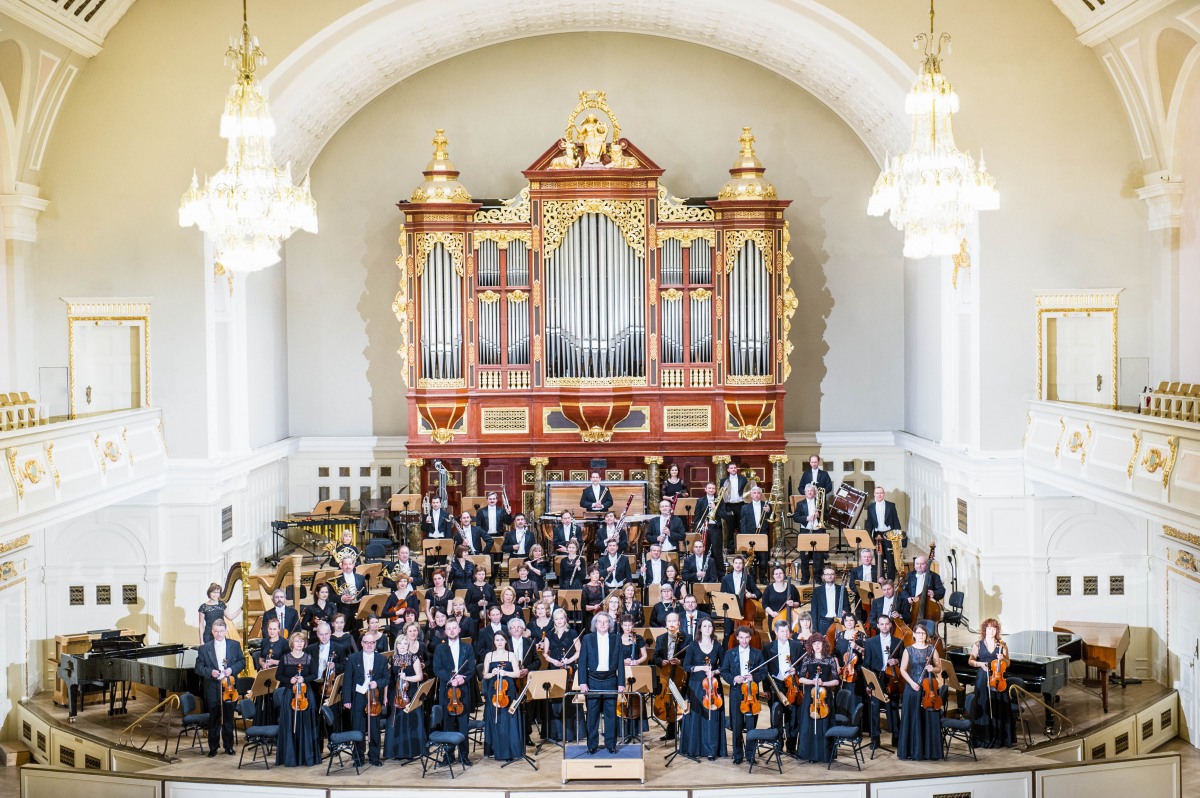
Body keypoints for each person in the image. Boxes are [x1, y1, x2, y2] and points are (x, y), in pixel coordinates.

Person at [194, 618, 244, 757]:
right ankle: (213, 747)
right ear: (212, 631)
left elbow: (242, 662)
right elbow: (198, 668)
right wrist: (210, 672)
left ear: (226, 631)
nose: (219, 634)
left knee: (228, 716)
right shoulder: (204, 648)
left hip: (229, 686)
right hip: (212, 686)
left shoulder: (234, 645)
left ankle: (228, 746)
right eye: (216, 631)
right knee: (214, 717)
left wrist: (231, 670)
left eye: (221, 631)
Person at [578, 611, 626, 754]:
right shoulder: (587, 638)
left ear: (610, 624)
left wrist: (621, 683)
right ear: (595, 624)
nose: (603, 624)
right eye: (600, 621)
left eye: (606, 621)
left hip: (610, 680)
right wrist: (582, 682)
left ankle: (611, 745)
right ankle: (592, 745)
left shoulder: (616, 639)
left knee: (611, 715)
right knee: (592, 715)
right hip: (592, 680)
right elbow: (582, 662)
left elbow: (620, 662)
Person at [432, 617, 477, 766]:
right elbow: (437, 669)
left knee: (463, 724)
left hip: (463, 689)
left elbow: (471, 668)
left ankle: (464, 756)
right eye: (449, 629)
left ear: (459, 630)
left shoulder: (467, 647)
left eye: (454, 628)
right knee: (448, 723)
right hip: (447, 690)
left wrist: (462, 680)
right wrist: (451, 679)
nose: (452, 631)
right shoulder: (439, 648)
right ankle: (448, 756)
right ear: (445, 632)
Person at [679, 617, 725, 760]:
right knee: (696, 717)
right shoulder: (693, 646)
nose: (707, 629)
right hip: (696, 686)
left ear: (713, 629)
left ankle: (711, 749)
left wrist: (714, 672)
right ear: (699, 628)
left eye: (709, 626)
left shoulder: (717, 646)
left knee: (712, 718)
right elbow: (686, 666)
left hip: (713, 686)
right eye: (704, 626)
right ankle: (694, 748)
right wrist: (701, 668)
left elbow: (724, 667)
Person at [342, 632, 389, 766]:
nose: (369, 645)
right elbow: (347, 680)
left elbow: (386, 678)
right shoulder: (353, 658)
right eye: (366, 642)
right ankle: (358, 757)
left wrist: (377, 683)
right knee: (358, 728)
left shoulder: (382, 659)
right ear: (362, 644)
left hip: (374, 698)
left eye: (372, 642)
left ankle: (374, 757)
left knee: (374, 729)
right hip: (358, 697)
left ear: (375, 644)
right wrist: (346, 699)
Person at [897, 624, 943, 761]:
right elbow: (902, 670)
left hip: (929, 689)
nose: (921, 635)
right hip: (913, 688)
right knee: (913, 719)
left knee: (928, 719)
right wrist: (912, 683)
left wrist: (932, 669)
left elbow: (939, 668)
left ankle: (930, 752)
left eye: (923, 633)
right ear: (914, 635)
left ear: (926, 635)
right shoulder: (908, 650)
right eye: (918, 633)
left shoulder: (932, 649)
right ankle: (913, 751)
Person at [719, 626, 764, 765]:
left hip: (751, 693)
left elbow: (764, 672)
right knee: (736, 725)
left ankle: (750, 755)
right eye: (742, 637)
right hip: (736, 692)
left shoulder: (757, 654)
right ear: (737, 638)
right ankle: (737, 754)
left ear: (750, 638)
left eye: (747, 637)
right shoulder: (730, 653)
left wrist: (753, 677)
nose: (744, 640)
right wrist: (734, 679)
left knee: (751, 726)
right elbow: (724, 671)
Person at [968, 618, 1014, 748]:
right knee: (983, 704)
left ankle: (999, 738)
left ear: (997, 631)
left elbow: (1008, 663)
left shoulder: (1002, 645)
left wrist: (1003, 658)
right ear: (985, 630)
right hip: (983, 678)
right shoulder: (978, 645)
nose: (991, 631)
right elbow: (970, 660)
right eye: (989, 628)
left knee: (998, 706)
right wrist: (979, 664)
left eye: (994, 628)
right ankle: (983, 738)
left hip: (998, 679)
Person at [276, 631, 319, 767]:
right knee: (290, 724)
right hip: (290, 694)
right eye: (296, 641)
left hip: (305, 694)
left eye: (301, 641)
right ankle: (291, 757)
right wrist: (290, 680)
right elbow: (278, 676)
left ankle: (307, 757)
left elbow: (315, 674)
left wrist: (303, 679)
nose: (299, 643)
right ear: (292, 643)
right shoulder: (285, 658)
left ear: (304, 643)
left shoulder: (308, 658)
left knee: (306, 724)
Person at [385, 621, 426, 761]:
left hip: (410, 692)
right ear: (396, 645)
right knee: (396, 722)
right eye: (400, 644)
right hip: (396, 694)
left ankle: (411, 750)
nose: (402, 646)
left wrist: (406, 678)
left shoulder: (414, 658)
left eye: (404, 644)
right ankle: (396, 751)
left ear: (408, 645)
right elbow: (388, 679)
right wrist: (386, 696)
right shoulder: (392, 659)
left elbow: (419, 677)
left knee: (410, 721)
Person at [796, 633, 839, 763]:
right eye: (814, 643)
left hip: (824, 697)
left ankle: (825, 754)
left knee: (824, 723)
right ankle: (810, 754)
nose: (817, 646)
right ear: (811, 646)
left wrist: (823, 683)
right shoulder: (807, 659)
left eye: (819, 643)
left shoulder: (830, 659)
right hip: (811, 696)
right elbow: (801, 678)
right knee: (809, 724)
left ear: (823, 644)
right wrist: (812, 681)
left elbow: (836, 681)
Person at [481, 632, 524, 761]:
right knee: (496, 718)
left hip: (508, 690)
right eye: (497, 640)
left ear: (506, 641)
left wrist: (505, 672)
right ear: (494, 642)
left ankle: (509, 750)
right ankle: (497, 749)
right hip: (493, 690)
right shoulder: (489, 655)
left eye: (501, 640)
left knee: (508, 719)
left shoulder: (511, 655)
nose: (499, 642)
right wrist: (492, 673)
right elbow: (484, 675)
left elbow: (517, 674)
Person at [862, 614, 903, 751]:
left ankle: (896, 738)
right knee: (874, 710)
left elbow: (903, 660)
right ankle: (875, 739)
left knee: (893, 709)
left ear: (890, 625)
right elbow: (866, 665)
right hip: (876, 678)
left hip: (891, 679)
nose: (884, 626)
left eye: (887, 624)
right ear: (878, 626)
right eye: (882, 624)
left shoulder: (898, 642)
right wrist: (868, 685)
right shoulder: (870, 642)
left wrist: (897, 661)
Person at [764, 619, 804, 754]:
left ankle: (791, 747)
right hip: (775, 685)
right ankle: (778, 745)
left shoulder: (796, 645)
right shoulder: (768, 648)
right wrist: (766, 689)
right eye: (782, 631)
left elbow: (802, 665)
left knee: (792, 718)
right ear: (776, 632)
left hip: (792, 685)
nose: (785, 633)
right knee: (776, 716)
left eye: (787, 631)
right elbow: (765, 670)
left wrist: (796, 670)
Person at [543, 607, 582, 742]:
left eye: (561, 618)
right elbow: (545, 654)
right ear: (553, 620)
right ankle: (557, 733)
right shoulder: (549, 635)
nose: (559, 621)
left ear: (565, 619)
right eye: (556, 619)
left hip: (568, 670)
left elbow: (579, 651)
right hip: (554, 669)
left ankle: (571, 734)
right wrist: (553, 661)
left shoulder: (572, 633)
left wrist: (569, 660)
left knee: (569, 699)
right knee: (556, 700)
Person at [652, 613, 689, 741]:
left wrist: (680, 662)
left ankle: (685, 732)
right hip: (666, 674)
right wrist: (661, 661)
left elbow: (690, 657)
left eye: (674, 621)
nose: (672, 623)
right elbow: (655, 657)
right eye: (669, 621)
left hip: (681, 675)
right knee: (668, 700)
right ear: (666, 623)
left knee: (680, 701)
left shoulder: (687, 638)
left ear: (679, 623)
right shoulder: (660, 638)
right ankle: (671, 731)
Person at [507, 617, 540, 745]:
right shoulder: (505, 643)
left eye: (519, 627)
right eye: (513, 627)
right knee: (512, 706)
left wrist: (527, 669)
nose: (516, 629)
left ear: (523, 629)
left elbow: (537, 662)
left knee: (527, 708)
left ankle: (526, 735)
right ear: (509, 630)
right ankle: (513, 735)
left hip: (525, 680)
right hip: (510, 681)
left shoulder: (529, 642)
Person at [863, 486, 906, 580]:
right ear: (874, 494)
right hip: (877, 535)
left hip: (889, 535)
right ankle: (881, 578)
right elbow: (869, 524)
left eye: (881, 493)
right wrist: (867, 538)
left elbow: (896, 521)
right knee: (879, 558)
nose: (879, 495)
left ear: (884, 494)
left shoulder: (891, 505)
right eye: (877, 493)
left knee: (891, 558)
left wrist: (899, 536)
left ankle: (890, 580)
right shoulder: (870, 507)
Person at [833, 612, 867, 719]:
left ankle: (855, 723)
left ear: (855, 622)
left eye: (851, 620)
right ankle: (841, 721)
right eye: (846, 620)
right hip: (842, 671)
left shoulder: (861, 635)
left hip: (855, 672)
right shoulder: (839, 636)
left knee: (854, 698)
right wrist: (837, 666)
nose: (849, 622)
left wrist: (857, 647)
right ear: (843, 622)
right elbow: (835, 654)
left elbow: (867, 653)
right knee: (842, 697)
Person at [719, 555, 760, 638]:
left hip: (744, 611)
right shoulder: (725, 579)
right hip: (730, 611)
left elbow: (758, 593)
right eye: (736, 563)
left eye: (740, 563)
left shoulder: (748, 578)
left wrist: (751, 595)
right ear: (733, 564)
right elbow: (722, 595)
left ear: (743, 565)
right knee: (728, 634)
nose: (738, 565)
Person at [791, 484, 826, 583]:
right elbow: (795, 517)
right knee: (804, 556)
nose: (810, 492)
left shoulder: (820, 503)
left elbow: (827, 515)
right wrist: (807, 518)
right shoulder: (800, 504)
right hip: (805, 531)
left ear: (814, 492)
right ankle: (805, 578)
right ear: (805, 492)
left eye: (812, 491)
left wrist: (819, 515)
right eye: (808, 491)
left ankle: (818, 578)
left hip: (817, 530)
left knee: (818, 557)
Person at [255, 617, 286, 724]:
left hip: (278, 676)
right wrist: (263, 664)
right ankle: (263, 725)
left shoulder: (284, 643)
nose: (272, 631)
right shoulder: (264, 641)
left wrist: (274, 662)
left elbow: (286, 661)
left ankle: (274, 725)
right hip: (265, 675)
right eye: (270, 629)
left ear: (279, 630)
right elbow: (261, 658)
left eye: (274, 629)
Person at [737, 485, 772, 576]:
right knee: (751, 557)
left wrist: (769, 511)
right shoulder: (745, 507)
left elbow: (772, 519)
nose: (756, 495)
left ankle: (763, 576)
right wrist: (744, 537)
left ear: (761, 494)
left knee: (763, 558)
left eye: (758, 493)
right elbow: (743, 523)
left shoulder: (767, 505)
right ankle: (752, 577)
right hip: (750, 534)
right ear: (751, 495)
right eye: (754, 493)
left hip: (763, 533)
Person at [899, 556, 946, 620]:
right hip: (912, 606)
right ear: (914, 565)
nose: (919, 566)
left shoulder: (934, 576)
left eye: (922, 564)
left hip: (928, 606)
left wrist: (934, 593)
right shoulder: (909, 575)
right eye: (917, 564)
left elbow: (941, 591)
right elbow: (903, 590)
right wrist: (908, 597)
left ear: (927, 565)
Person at [717, 462, 749, 556]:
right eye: (731, 468)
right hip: (729, 506)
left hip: (740, 505)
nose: (734, 469)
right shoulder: (724, 480)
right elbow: (722, 494)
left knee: (742, 527)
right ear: (728, 470)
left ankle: (743, 548)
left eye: (735, 468)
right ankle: (730, 549)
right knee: (730, 528)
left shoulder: (743, 479)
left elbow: (747, 492)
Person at [691, 481, 724, 567]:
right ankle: (705, 571)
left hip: (715, 527)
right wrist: (697, 529)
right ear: (705, 489)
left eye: (713, 488)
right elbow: (697, 517)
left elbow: (723, 514)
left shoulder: (720, 499)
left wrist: (715, 509)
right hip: (704, 528)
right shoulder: (700, 500)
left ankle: (720, 573)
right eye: (709, 488)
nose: (711, 490)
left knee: (717, 552)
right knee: (704, 550)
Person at [761, 565, 801, 630]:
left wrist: (793, 604)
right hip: (774, 618)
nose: (778, 575)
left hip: (789, 618)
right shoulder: (768, 589)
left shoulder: (792, 587)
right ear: (773, 576)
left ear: (784, 574)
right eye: (776, 574)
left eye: (780, 573)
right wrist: (771, 613)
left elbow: (798, 603)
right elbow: (765, 604)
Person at [811, 565, 849, 635]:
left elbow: (847, 606)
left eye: (832, 574)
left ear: (835, 576)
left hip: (838, 621)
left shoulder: (842, 589)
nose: (830, 576)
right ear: (823, 576)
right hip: (823, 622)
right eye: (827, 574)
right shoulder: (817, 591)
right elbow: (814, 611)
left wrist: (845, 611)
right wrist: (815, 629)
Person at [382, 574, 418, 644]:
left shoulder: (412, 595)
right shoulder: (392, 596)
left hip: (409, 624)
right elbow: (384, 613)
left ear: (407, 583)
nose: (402, 583)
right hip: (395, 626)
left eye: (404, 581)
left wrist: (403, 619)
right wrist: (396, 613)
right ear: (397, 583)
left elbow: (417, 613)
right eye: (400, 581)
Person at [333, 556, 366, 629]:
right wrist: (341, 598)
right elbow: (331, 597)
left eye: (350, 564)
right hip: (343, 610)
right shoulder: (336, 580)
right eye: (345, 564)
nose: (348, 566)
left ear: (353, 565)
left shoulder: (361, 578)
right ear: (341, 565)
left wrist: (364, 612)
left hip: (357, 610)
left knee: (357, 632)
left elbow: (365, 595)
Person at [849, 548, 880, 621]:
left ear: (872, 558)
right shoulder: (855, 570)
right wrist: (861, 592)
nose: (866, 558)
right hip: (860, 597)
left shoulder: (877, 569)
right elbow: (852, 584)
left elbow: (881, 585)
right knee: (860, 617)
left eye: (868, 557)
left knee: (874, 616)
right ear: (861, 558)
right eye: (864, 557)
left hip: (874, 597)